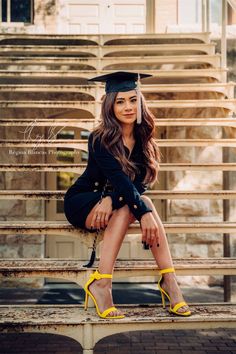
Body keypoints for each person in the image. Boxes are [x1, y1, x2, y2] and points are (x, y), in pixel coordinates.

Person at [64, 71, 191, 319]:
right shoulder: (100, 138)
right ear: (111, 106)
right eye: (120, 101)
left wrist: (114, 199)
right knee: (139, 203)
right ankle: (106, 284)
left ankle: (168, 280)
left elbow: (140, 183)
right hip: (84, 199)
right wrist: (139, 210)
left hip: (114, 201)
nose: (128, 107)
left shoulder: (145, 139)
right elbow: (120, 180)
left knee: (139, 201)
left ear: (140, 101)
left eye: (133, 100)